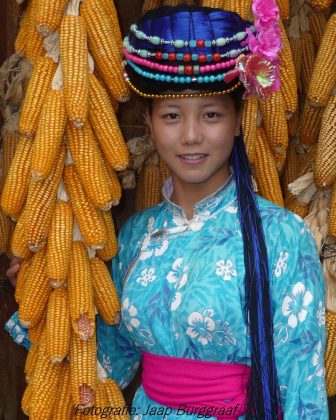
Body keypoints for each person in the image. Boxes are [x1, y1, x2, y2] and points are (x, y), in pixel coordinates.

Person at [6, 3, 328, 420]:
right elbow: (103, 364)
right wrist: (45, 292)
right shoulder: (136, 235)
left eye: (211, 115)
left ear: (237, 121)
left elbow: (302, 391)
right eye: (172, 116)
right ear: (149, 120)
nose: (191, 136)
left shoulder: (284, 235)